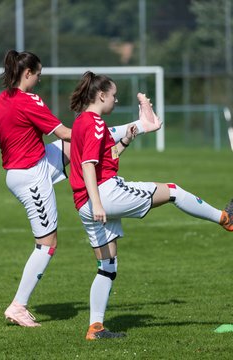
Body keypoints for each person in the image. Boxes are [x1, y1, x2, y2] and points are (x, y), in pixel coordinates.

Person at [0, 50, 155, 328]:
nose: (40, 81)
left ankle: (141, 125)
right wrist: (97, 134)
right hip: (32, 176)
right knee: (47, 244)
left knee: (79, 141)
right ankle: (18, 306)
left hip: (36, 163)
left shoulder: (0, 101)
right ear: (27, 73)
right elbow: (69, 133)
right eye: (38, 75)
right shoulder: (29, 100)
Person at [69, 71, 233, 340]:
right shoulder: (96, 123)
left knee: (107, 266)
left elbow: (102, 159)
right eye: (113, 95)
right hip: (103, 195)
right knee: (173, 191)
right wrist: (99, 203)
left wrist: (124, 141)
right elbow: (88, 165)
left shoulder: (80, 122)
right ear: (101, 96)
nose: (116, 100)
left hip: (84, 203)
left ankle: (95, 328)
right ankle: (225, 218)